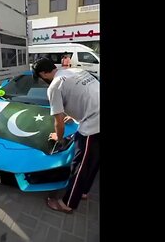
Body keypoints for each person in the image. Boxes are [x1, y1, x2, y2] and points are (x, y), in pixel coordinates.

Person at [32, 57, 99, 214]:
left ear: (43, 73)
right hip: (96, 116)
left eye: (40, 77)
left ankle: (67, 203)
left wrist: (59, 138)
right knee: (94, 160)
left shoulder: (54, 86)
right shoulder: (75, 70)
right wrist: (75, 114)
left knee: (80, 165)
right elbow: (86, 94)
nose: (42, 81)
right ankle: (82, 192)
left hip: (94, 123)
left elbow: (58, 122)